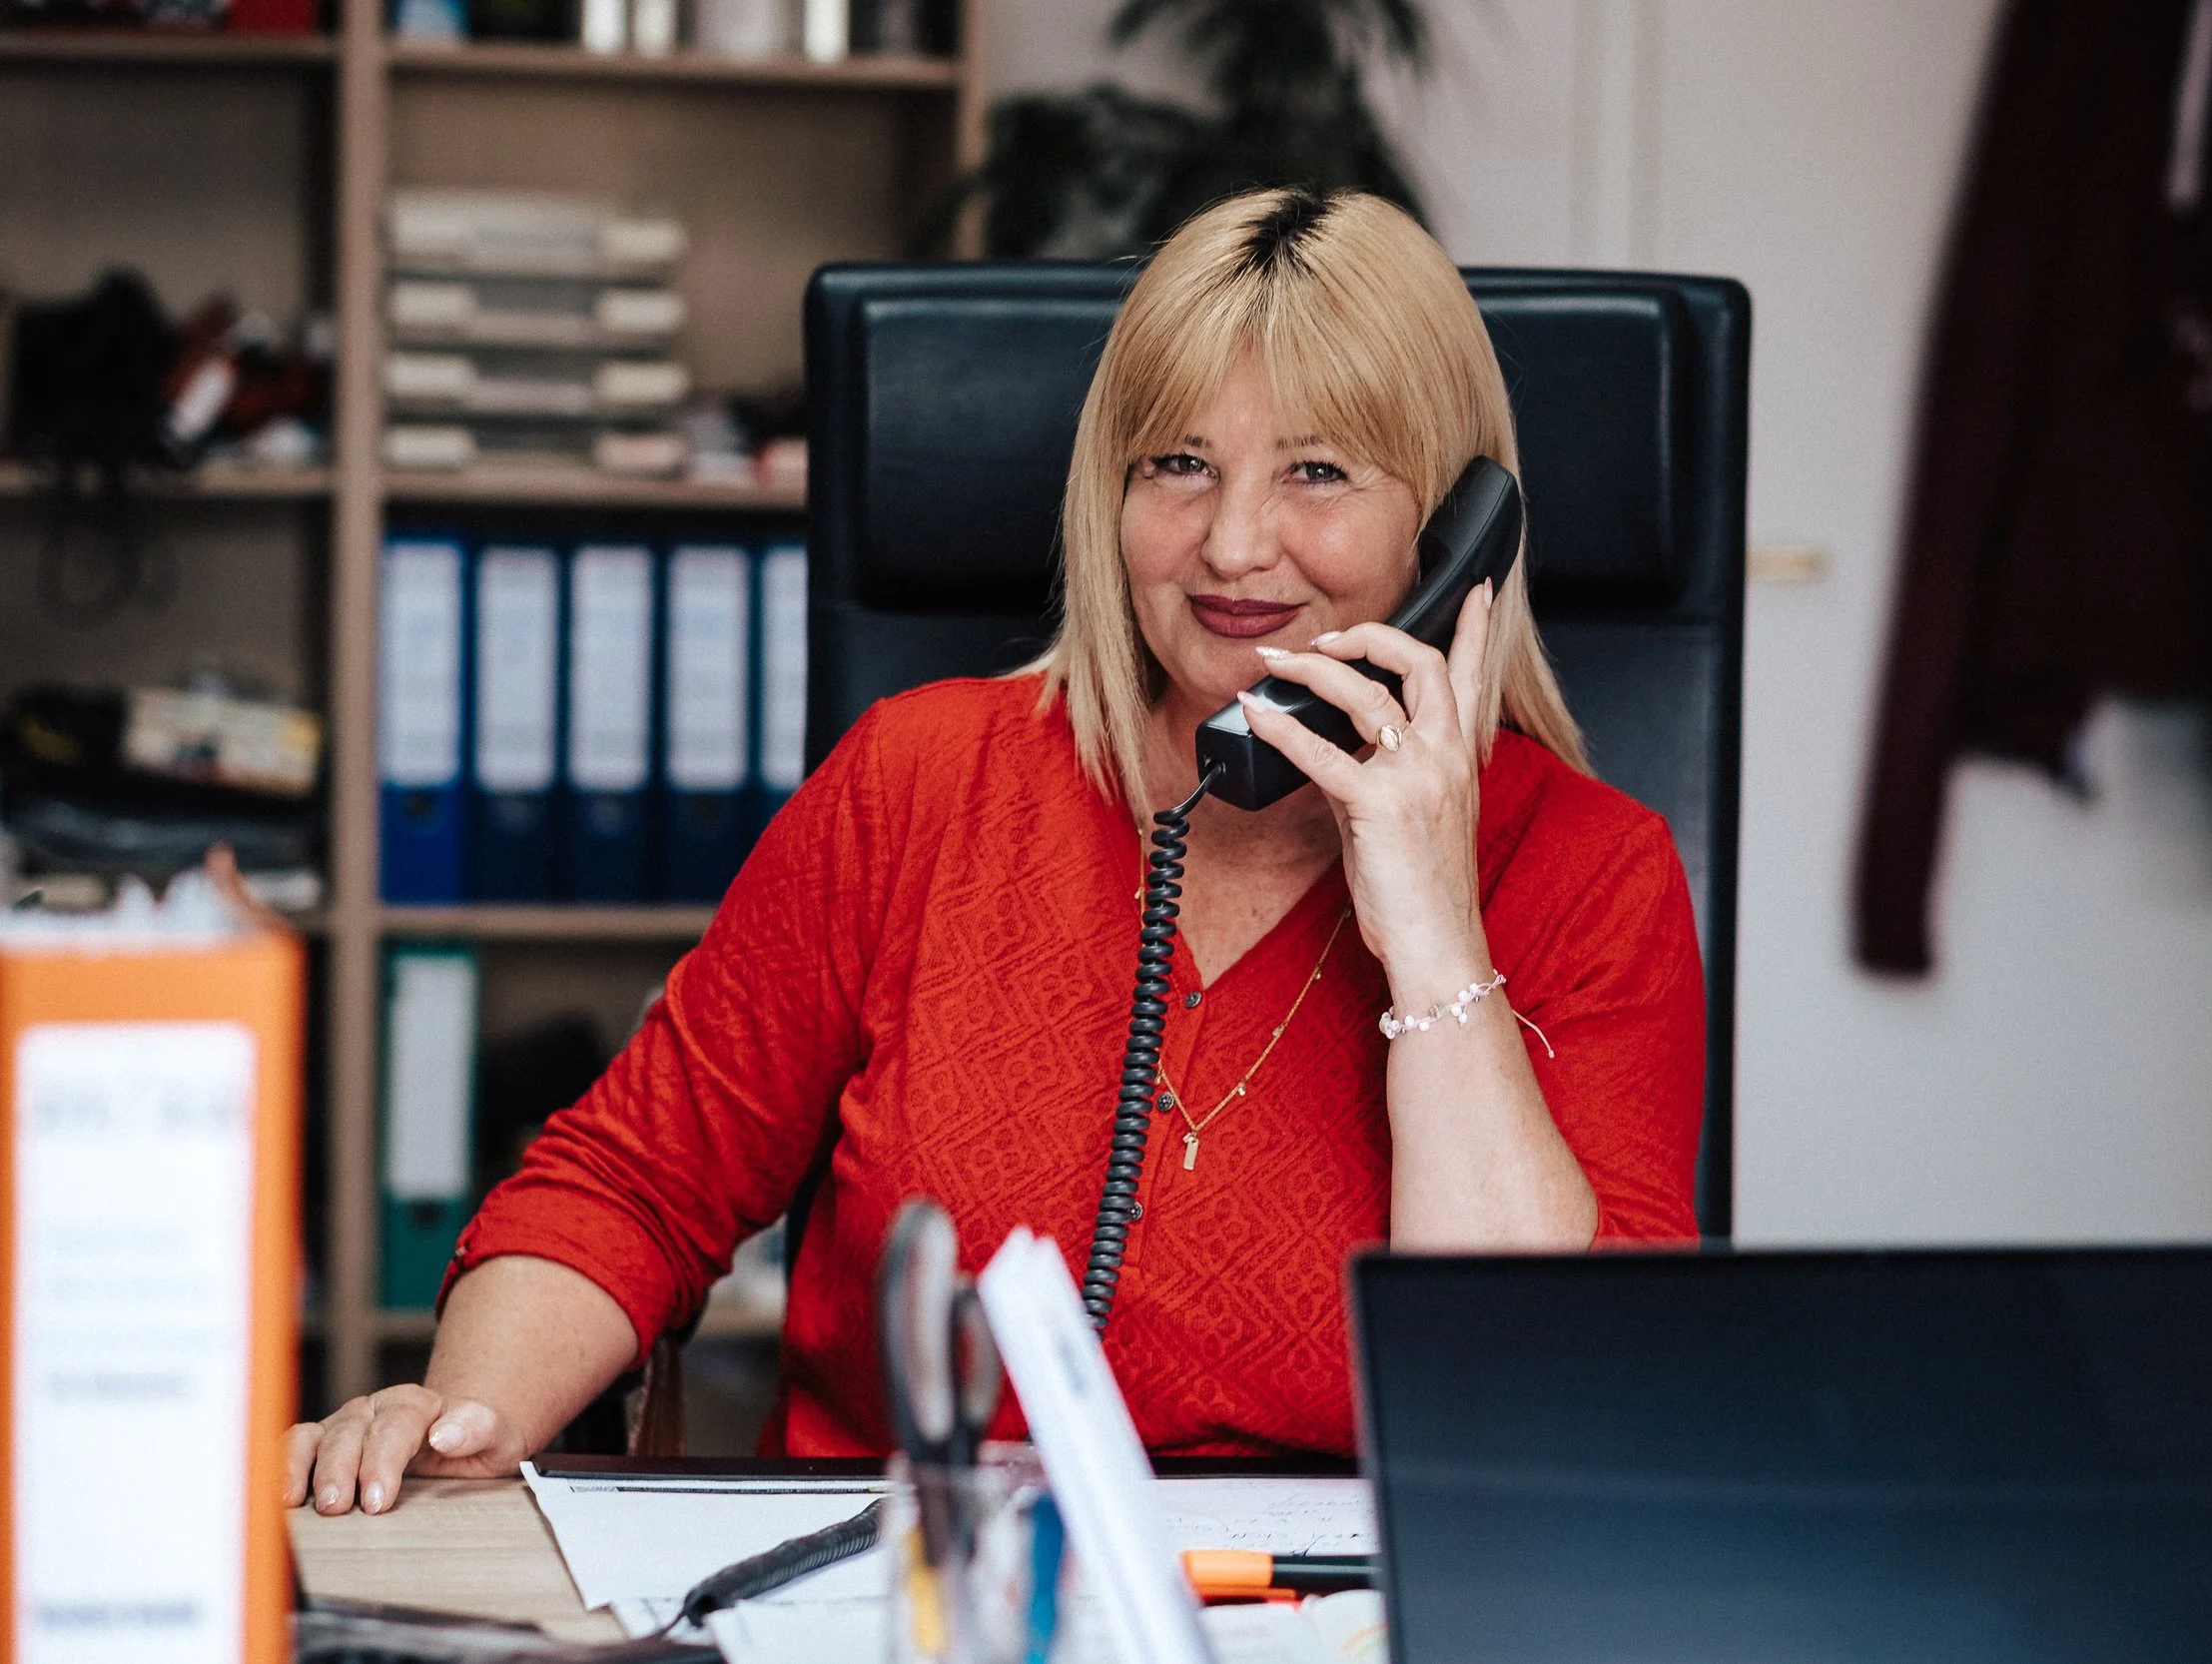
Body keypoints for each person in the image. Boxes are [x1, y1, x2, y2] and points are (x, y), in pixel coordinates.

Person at [287, 186, 1704, 1516]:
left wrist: (1436, 924)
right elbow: (629, 1184)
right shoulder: (924, 784)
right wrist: (457, 1423)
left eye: (1317, 471)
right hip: (908, 1601)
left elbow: (1546, 1415)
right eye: (1181, 466)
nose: (1231, 542)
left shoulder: (1592, 873)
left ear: (1458, 529)